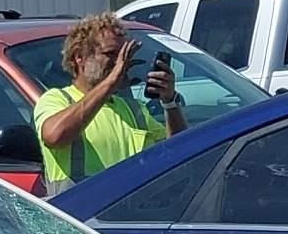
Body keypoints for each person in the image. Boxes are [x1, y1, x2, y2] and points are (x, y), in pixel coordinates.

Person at [33, 13, 185, 192]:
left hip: (129, 216)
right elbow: (54, 135)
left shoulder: (132, 108)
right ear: (79, 57)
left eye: (123, 55)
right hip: (80, 214)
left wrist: (169, 103)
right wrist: (111, 80)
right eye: (110, 54)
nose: (120, 62)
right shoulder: (58, 99)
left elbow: (178, 152)